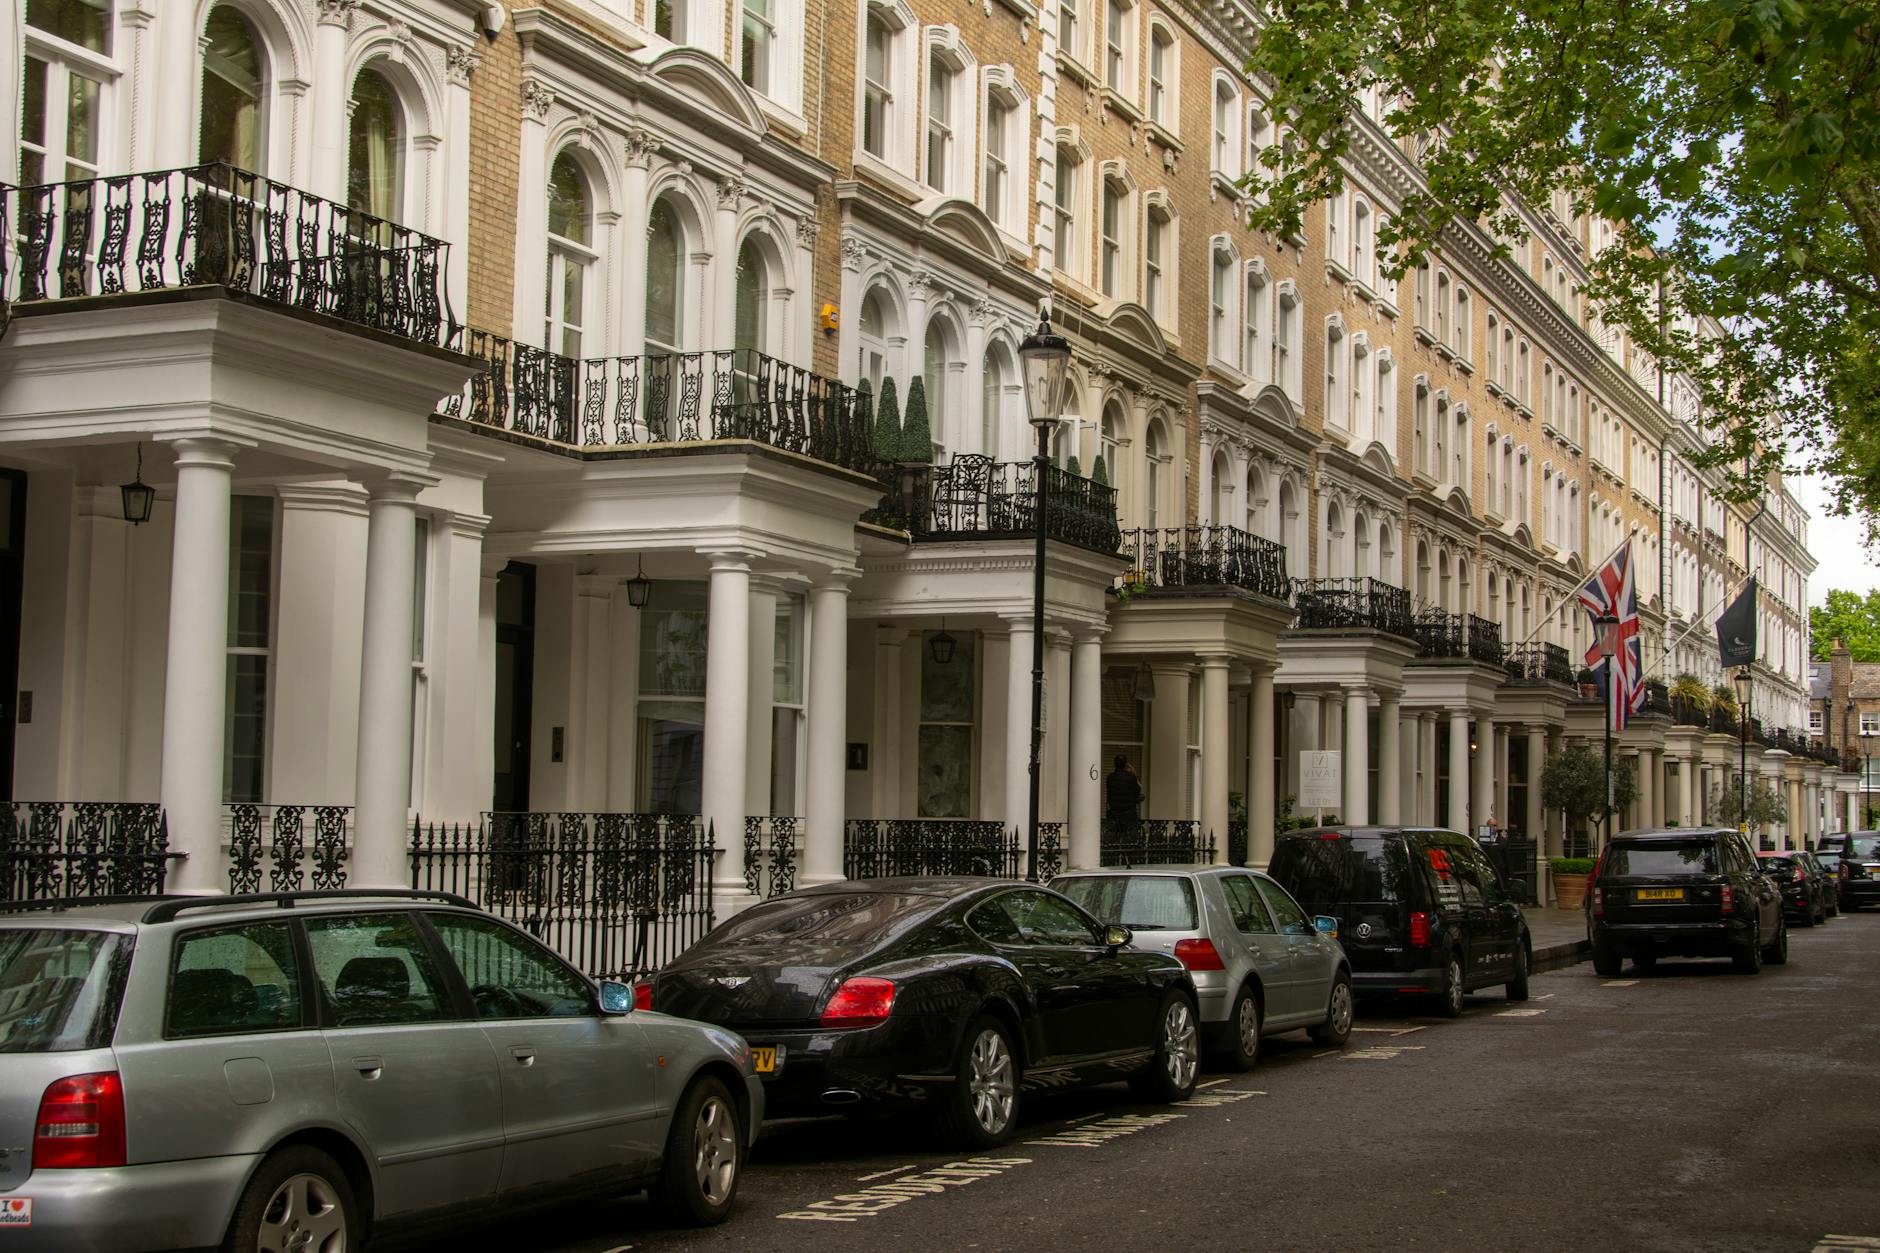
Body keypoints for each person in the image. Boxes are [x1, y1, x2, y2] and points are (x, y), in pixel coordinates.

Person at [1105, 754, 1142, 826]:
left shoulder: (1110, 778)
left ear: (1115, 764)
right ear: (1125, 765)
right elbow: (1137, 791)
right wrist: (1134, 773)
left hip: (1114, 815)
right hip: (1129, 816)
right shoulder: (1131, 777)